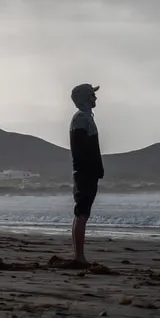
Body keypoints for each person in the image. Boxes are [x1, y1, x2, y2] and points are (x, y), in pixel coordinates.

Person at [69, 83, 104, 265]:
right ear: (84, 98)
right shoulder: (81, 119)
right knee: (82, 213)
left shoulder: (85, 118)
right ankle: (79, 256)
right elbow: (81, 148)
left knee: (82, 213)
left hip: (87, 172)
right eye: (92, 95)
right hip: (85, 173)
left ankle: (79, 255)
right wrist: (91, 169)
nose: (95, 98)